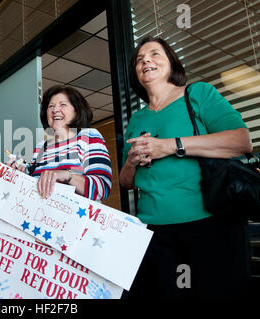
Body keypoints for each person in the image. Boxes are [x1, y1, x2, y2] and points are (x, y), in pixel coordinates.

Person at [120, 36, 252, 299]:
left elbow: (242, 141)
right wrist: (132, 162)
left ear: (172, 63)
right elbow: (126, 182)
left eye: (155, 54)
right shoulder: (137, 119)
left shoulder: (197, 94)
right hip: (154, 234)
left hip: (210, 226)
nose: (146, 60)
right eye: (139, 59)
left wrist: (169, 146)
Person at [8, 85, 112, 201]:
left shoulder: (88, 136)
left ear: (76, 111)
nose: (55, 110)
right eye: (51, 106)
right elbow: (36, 185)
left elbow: (102, 188)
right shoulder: (41, 146)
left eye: (63, 104)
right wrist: (20, 172)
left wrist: (67, 175)